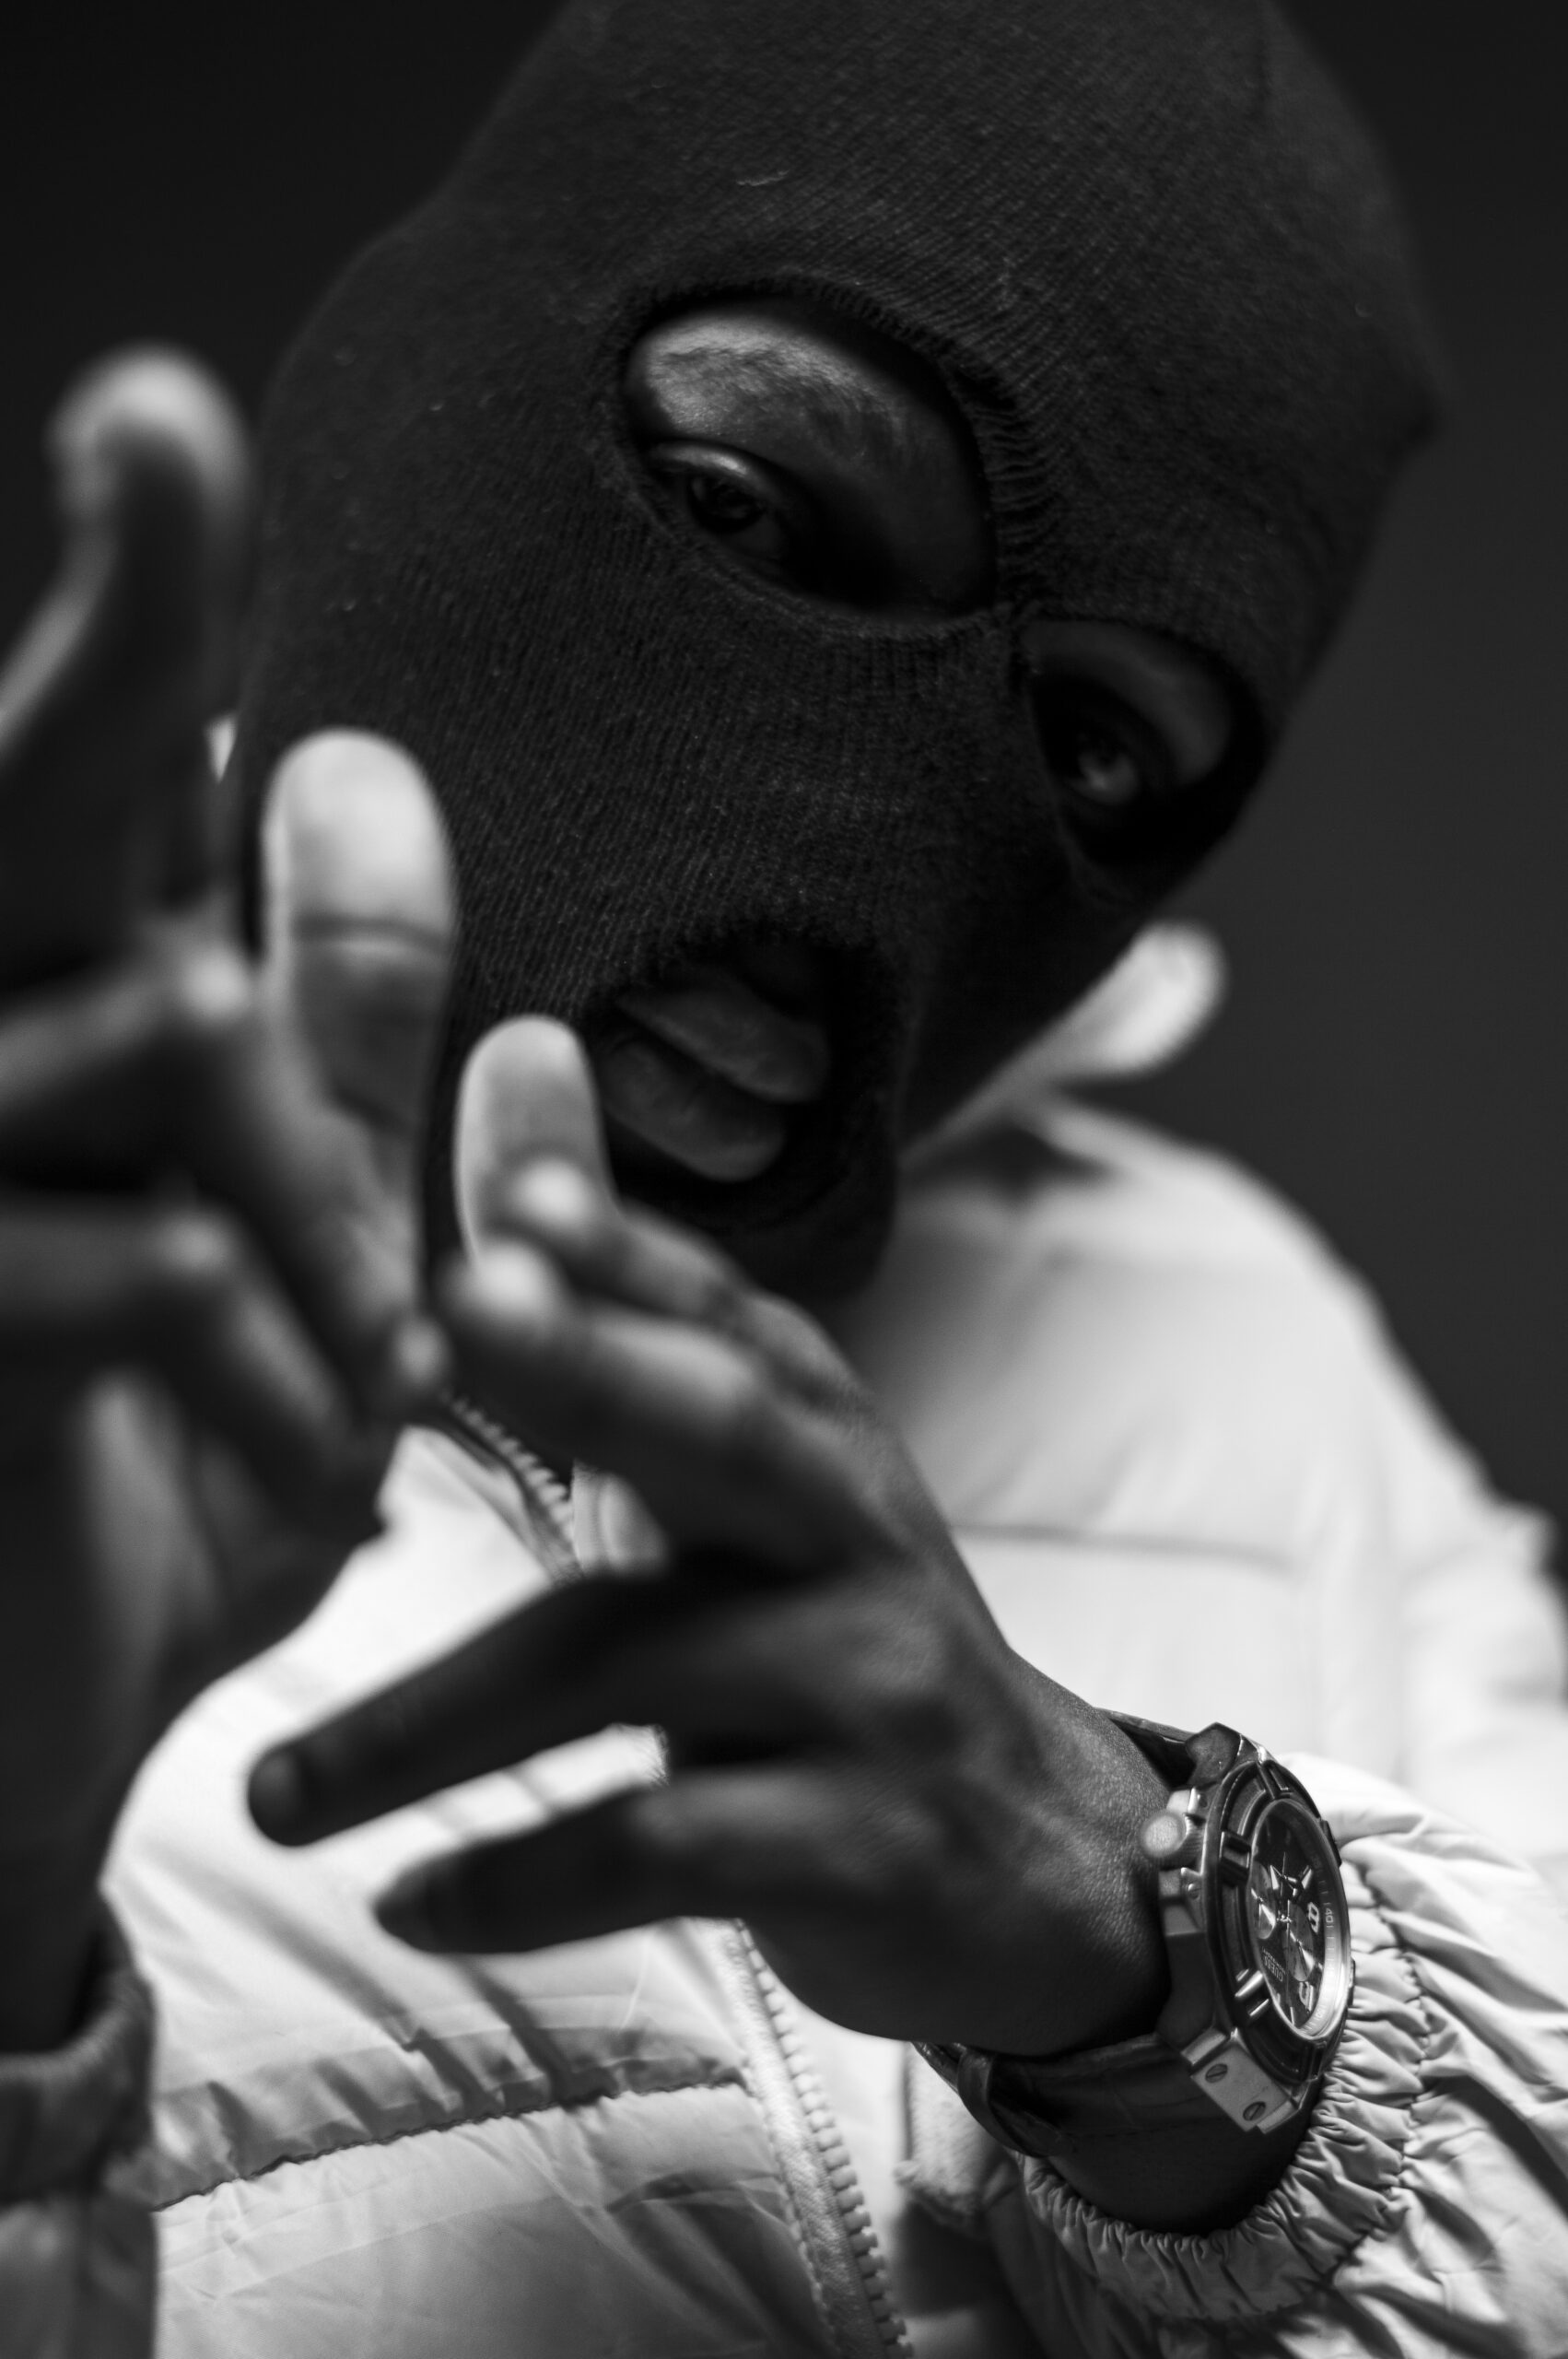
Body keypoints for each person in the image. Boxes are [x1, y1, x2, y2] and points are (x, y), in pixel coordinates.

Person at [4, 1, 1568, 2353]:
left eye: (1092, 747)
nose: (870, 834)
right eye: (751, 510)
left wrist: (1157, 1961)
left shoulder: (1247, 1351)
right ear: (420, 395)